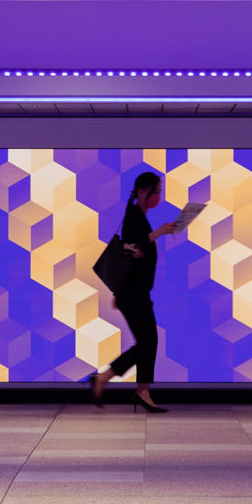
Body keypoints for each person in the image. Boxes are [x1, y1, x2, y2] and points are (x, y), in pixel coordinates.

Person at [89, 171, 177, 413]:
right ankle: (106, 377)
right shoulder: (133, 216)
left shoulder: (140, 217)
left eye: (159, 191)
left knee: (149, 341)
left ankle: (142, 391)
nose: (158, 195)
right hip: (133, 293)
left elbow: (136, 255)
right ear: (142, 191)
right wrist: (160, 232)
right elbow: (133, 247)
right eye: (156, 191)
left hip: (135, 291)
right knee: (148, 341)